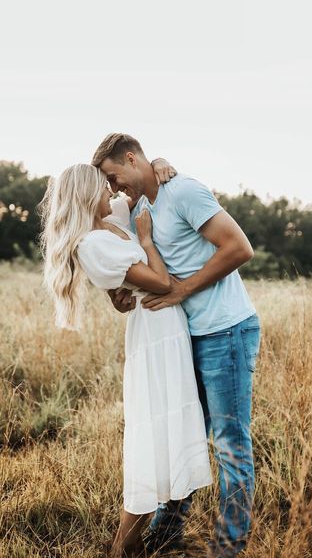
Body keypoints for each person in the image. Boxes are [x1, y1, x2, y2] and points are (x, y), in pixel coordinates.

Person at [92, 133, 261, 558]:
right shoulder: (137, 207)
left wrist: (183, 289)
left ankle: (229, 548)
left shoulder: (183, 190)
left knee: (230, 443)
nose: (114, 189)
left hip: (226, 330)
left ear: (131, 159)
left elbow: (240, 248)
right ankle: (167, 536)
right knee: (183, 436)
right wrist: (117, 293)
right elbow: (114, 246)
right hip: (188, 337)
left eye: (115, 177)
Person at [38, 162, 213, 558]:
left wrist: (160, 162)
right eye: (103, 188)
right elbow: (163, 283)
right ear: (86, 195)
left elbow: (136, 181)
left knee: (166, 428)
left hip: (165, 330)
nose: (111, 193)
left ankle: (140, 537)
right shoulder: (92, 243)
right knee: (151, 435)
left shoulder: (110, 220)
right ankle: (124, 544)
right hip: (154, 333)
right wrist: (147, 241)